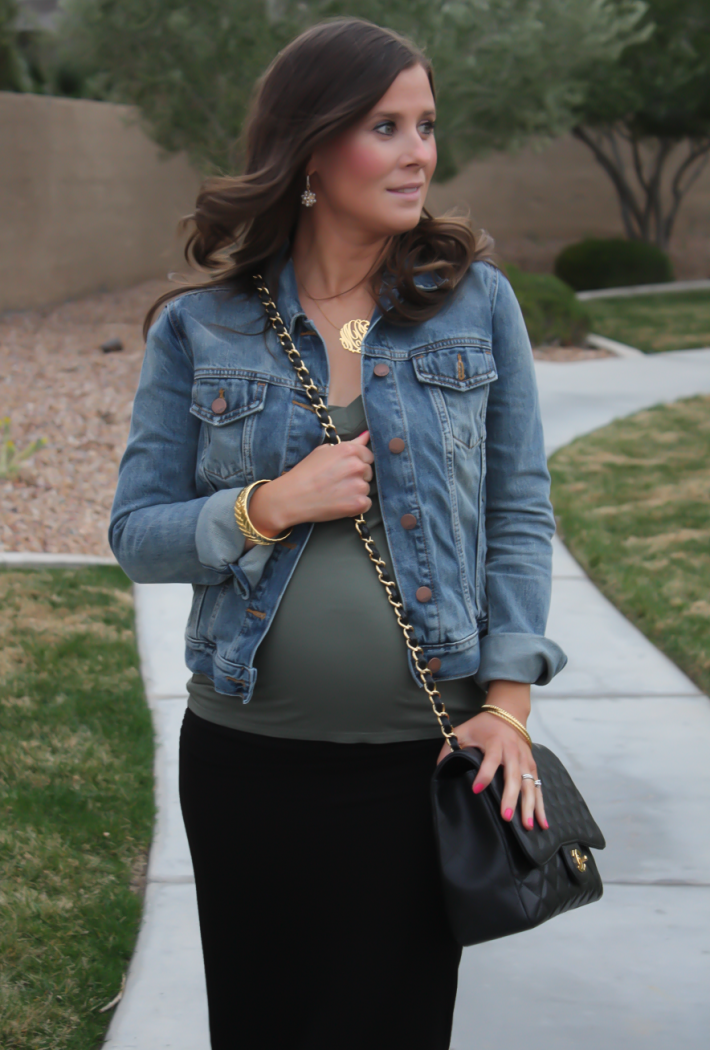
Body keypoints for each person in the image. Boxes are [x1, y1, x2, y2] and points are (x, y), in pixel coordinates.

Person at [110, 17, 567, 1050]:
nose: (418, 153)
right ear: (313, 149)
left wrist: (507, 703)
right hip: (248, 763)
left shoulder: (472, 306)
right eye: (385, 126)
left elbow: (518, 514)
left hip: (425, 764)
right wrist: (264, 505)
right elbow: (137, 536)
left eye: (425, 125)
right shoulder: (203, 327)